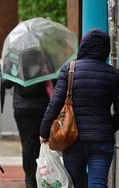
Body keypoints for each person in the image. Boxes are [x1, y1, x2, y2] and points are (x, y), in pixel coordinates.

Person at [39, 29, 119, 188]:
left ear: (83, 46)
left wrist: (44, 132)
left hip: (72, 138)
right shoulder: (114, 74)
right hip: (102, 139)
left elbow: (54, 104)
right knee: (98, 183)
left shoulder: (70, 70)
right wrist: (109, 127)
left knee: (75, 183)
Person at [1, 79, 50, 188]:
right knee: (41, 142)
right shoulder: (44, 62)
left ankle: (30, 178)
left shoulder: (16, 62)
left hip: (22, 107)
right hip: (41, 106)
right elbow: (54, 80)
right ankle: (39, 176)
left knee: (27, 143)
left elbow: (6, 83)